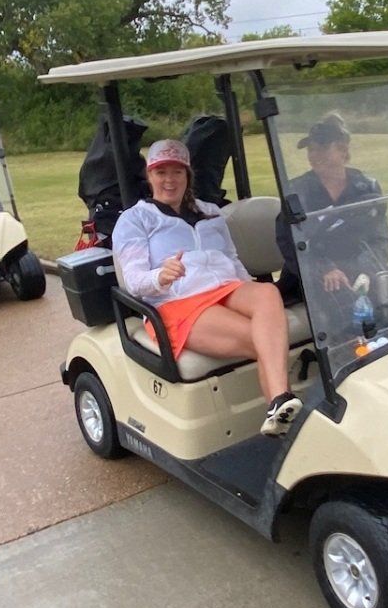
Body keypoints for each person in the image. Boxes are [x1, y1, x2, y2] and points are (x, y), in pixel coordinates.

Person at [111, 138, 302, 437]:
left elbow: (232, 259)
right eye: (161, 172)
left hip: (226, 288)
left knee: (268, 293)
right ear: (149, 176)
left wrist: (250, 293)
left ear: (188, 175)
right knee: (265, 340)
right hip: (177, 301)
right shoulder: (135, 220)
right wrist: (161, 275)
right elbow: (134, 281)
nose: (169, 180)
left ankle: (279, 402)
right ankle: (281, 410)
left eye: (177, 172)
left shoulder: (211, 211)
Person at [276, 113, 388, 305]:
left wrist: (364, 270)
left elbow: (379, 239)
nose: (314, 156)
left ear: (343, 151)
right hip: (310, 275)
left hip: (359, 270)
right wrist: (326, 270)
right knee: (342, 301)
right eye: (311, 150)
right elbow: (291, 243)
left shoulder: (365, 188)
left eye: (322, 149)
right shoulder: (297, 191)